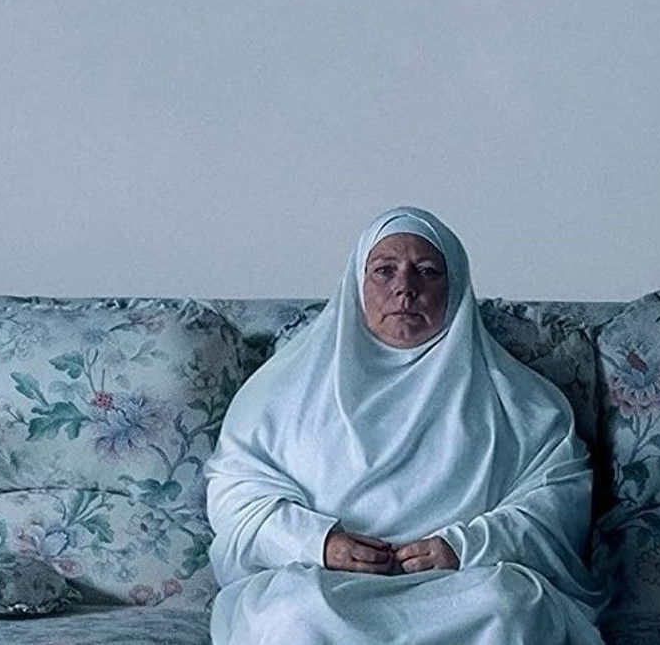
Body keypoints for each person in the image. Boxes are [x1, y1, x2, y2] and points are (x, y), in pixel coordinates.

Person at [204, 206, 606, 644]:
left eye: (427, 271)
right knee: (290, 615)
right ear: (357, 284)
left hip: (461, 586)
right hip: (328, 584)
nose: (405, 288)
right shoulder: (282, 390)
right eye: (384, 270)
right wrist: (319, 543)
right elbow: (234, 494)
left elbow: (556, 503)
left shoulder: (522, 401)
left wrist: (465, 546)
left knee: (512, 607)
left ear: (456, 286)